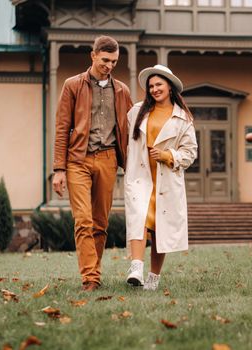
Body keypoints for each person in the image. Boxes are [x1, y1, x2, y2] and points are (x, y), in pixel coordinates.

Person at [52, 36, 133, 292]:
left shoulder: (122, 90)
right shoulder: (72, 85)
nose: (109, 65)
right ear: (93, 56)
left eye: (114, 61)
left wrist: (135, 165)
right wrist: (59, 169)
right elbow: (62, 128)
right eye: (105, 60)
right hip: (78, 160)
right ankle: (90, 278)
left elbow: (131, 130)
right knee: (83, 220)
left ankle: (93, 270)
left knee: (100, 223)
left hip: (108, 159)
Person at [124, 64, 197, 291]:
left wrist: (167, 155)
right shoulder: (137, 112)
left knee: (160, 229)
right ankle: (136, 268)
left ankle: (153, 278)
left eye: (159, 85)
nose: (154, 89)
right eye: (151, 86)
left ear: (170, 87)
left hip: (166, 180)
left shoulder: (183, 118)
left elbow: (190, 152)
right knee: (138, 219)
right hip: (140, 175)